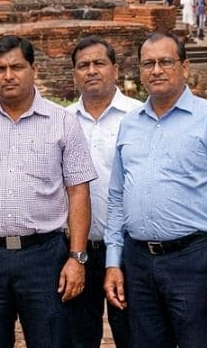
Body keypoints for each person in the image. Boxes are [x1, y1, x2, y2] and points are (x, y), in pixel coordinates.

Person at [0, 35, 96, 348]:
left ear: (33, 68)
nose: (8, 76)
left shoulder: (63, 122)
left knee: (53, 340)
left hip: (45, 255)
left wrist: (77, 259)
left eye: (16, 67)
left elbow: (78, 192)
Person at [104, 32, 207, 348]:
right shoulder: (130, 124)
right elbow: (117, 196)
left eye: (165, 62)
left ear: (184, 66)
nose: (156, 70)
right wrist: (114, 261)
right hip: (138, 261)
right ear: (139, 70)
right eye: (148, 63)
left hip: (193, 260)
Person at [66, 36, 139, 348]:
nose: (91, 71)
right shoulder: (62, 121)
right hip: (76, 251)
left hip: (129, 251)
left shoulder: (140, 117)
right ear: (74, 74)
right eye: (83, 65)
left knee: (134, 335)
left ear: (116, 70)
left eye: (99, 63)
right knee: (78, 338)